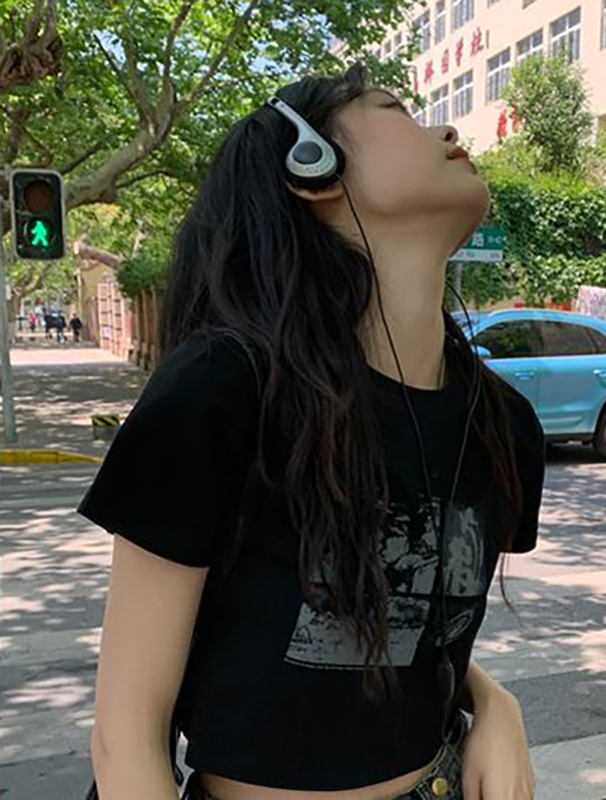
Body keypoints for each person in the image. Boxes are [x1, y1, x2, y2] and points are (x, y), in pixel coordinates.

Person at [77, 63, 545, 800]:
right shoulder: (223, 391)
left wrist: (492, 703)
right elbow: (127, 737)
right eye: (395, 109)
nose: (448, 130)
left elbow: (401, 634)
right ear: (311, 167)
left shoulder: (501, 424)